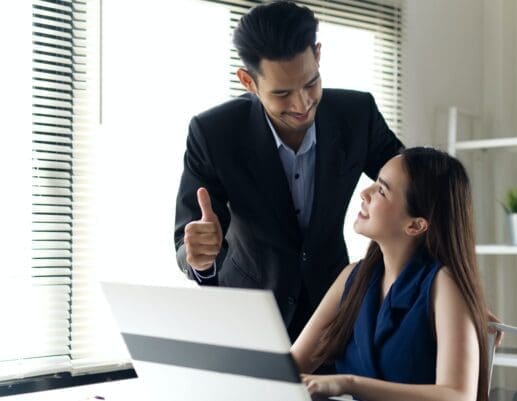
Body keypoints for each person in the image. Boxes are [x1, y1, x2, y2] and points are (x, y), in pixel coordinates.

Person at [173, 0, 403, 341]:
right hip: (248, 321)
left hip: (335, 316)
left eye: (311, 83)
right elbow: (186, 239)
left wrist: (448, 291)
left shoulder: (358, 116)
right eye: (281, 93)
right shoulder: (213, 133)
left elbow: (420, 191)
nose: (302, 103)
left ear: (318, 55)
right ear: (248, 82)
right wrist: (199, 257)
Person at [291, 147, 490, 401]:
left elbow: (459, 396)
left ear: (415, 225)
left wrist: (349, 384)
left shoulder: (443, 284)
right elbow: (291, 367)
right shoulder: (352, 278)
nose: (365, 193)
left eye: (382, 190)